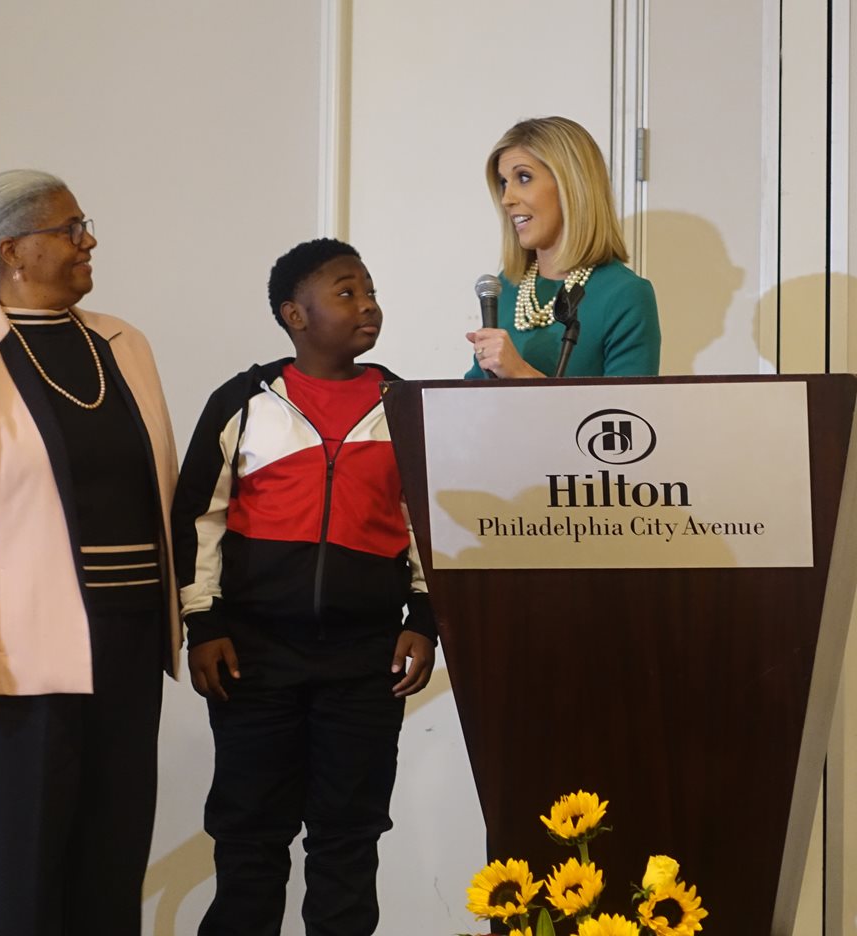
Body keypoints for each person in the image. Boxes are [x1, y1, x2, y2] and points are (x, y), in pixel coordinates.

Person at [0, 169, 181, 936]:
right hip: (17, 661)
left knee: (112, 872)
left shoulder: (125, 343)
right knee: (26, 883)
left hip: (127, 642)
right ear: (13, 251)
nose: (89, 241)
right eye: (71, 228)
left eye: (86, 224)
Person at [172, 238, 437, 936]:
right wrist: (204, 625)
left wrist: (425, 619)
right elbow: (198, 518)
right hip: (253, 658)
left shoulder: (402, 405)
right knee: (250, 841)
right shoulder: (245, 403)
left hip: (364, 661)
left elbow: (428, 526)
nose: (368, 304)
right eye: (346, 292)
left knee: (347, 842)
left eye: (371, 290)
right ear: (295, 314)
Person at [465, 115, 661, 378]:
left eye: (523, 177)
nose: (507, 199)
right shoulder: (507, 289)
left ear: (572, 184)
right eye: (503, 183)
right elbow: (470, 406)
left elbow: (624, 416)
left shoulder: (624, 295)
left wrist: (521, 373)